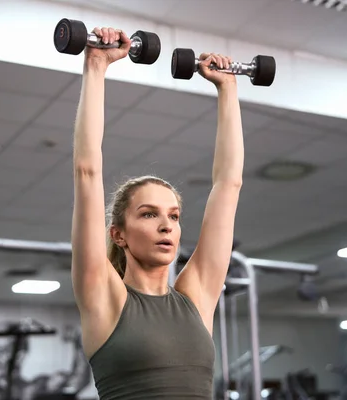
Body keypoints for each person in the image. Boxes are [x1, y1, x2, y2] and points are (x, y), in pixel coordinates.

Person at [70, 25, 244, 399]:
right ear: (119, 233)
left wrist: (228, 88)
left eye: (174, 216)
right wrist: (96, 66)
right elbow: (87, 172)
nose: (167, 225)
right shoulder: (104, 296)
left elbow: (228, 185)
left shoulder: (196, 298)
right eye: (149, 215)